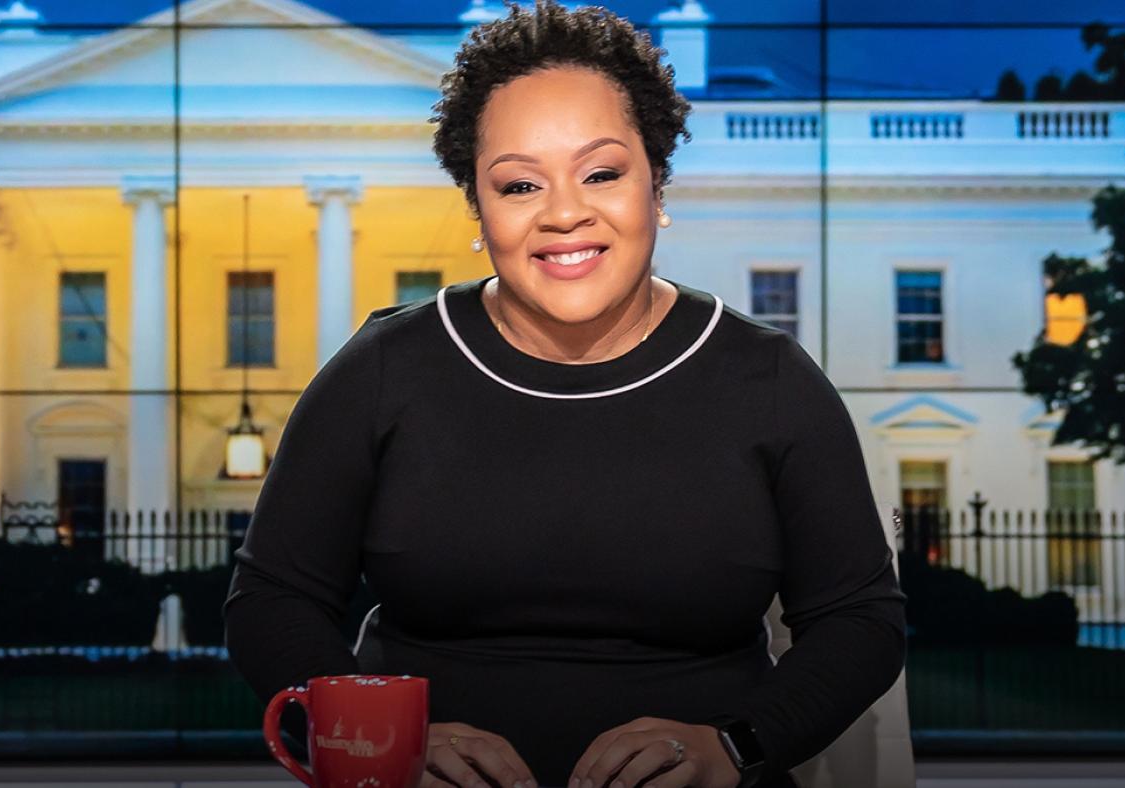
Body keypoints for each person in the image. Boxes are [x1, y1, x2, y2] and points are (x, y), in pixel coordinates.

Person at [222, 2, 907, 788]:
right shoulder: (383, 368)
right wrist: (382, 743)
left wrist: (736, 745)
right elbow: (272, 600)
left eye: (603, 172)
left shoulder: (770, 380)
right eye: (519, 184)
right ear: (479, 211)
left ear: (658, 183)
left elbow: (861, 621)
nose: (563, 213)